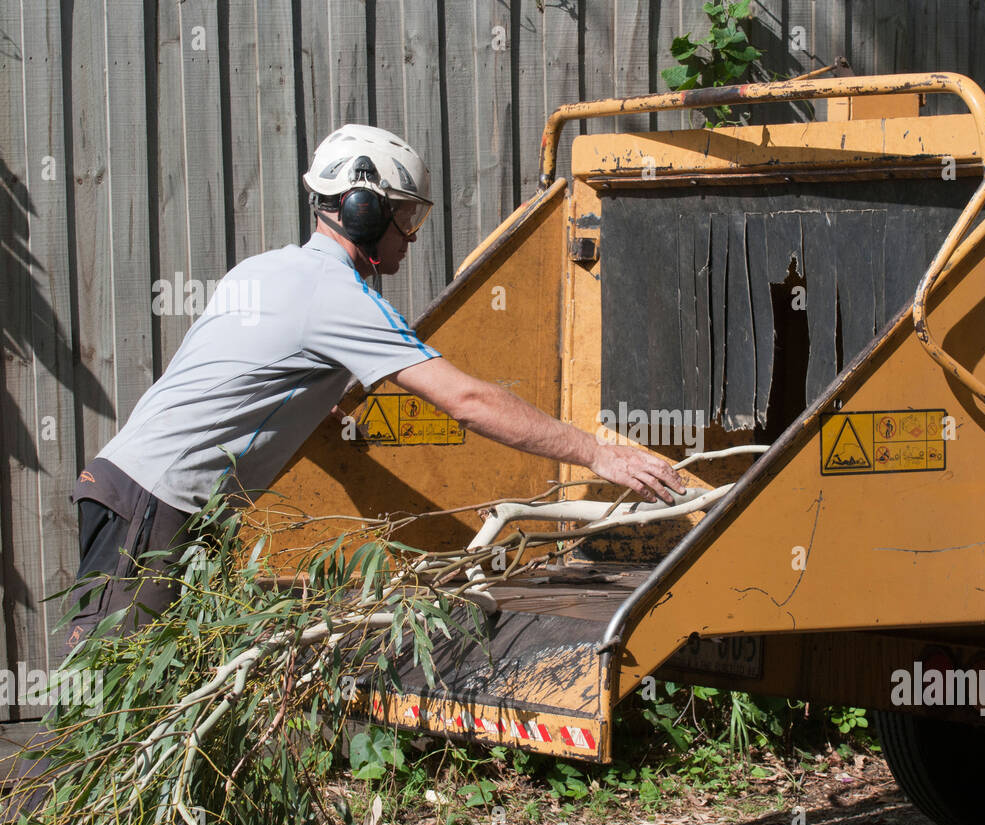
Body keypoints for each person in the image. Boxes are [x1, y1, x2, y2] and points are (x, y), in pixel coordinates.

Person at [65, 123, 682, 651]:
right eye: (405, 215)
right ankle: (37, 797)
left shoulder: (267, 270)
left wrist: (322, 404)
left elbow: (251, 377)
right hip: (157, 508)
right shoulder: (339, 296)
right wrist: (599, 453)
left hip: (128, 488)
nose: (410, 236)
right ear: (364, 210)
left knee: (141, 701)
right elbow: (465, 400)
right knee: (105, 712)